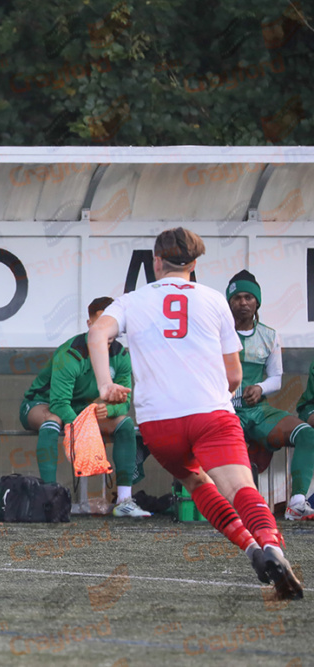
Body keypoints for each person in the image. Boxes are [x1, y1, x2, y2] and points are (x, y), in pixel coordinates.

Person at [89, 227, 302, 600]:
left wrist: (106, 383)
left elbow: (97, 334)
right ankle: (272, 547)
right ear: (195, 264)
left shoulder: (130, 301)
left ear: (155, 261)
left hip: (160, 424)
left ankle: (251, 551)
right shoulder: (214, 300)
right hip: (210, 415)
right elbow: (234, 374)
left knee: (197, 484)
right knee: (241, 489)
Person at [20, 297, 149, 517]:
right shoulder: (70, 354)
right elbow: (60, 403)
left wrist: (108, 411)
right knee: (54, 420)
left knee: (125, 424)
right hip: (42, 402)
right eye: (99, 324)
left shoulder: (122, 355)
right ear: (90, 325)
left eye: (110, 326)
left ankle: (124, 500)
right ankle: (49, 498)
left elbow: (124, 403)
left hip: (83, 409)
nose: (105, 332)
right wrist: (83, 427)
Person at [225, 270, 314, 520]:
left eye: (248, 298)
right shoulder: (216, 334)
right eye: (237, 298)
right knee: (226, 447)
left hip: (257, 410)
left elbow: (276, 378)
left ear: (257, 302)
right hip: (224, 409)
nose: (243, 302)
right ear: (229, 302)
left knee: (307, 433)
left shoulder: (269, 335)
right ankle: (233, 506)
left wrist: (261, 388)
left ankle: (297, 502)